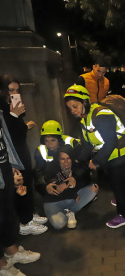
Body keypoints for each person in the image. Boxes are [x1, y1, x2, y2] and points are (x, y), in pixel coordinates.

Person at [64, 85, 125, 228]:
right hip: (111, 153)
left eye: (75, 106)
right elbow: (87, 145)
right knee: (117, 179)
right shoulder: (84, 119)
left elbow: (111, 142)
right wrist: (77, 161)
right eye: (70, 108)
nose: (73, 110)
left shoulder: (101, 115)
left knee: (116, 181)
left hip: (121, 152)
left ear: (85, 102)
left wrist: (96, 162)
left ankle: (123, 215)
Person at [0, 75, 48, 236]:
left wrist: (22, 123)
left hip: (21, 151)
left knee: (27, 180)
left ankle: (28, 215)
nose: (14, 93)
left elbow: (17, 134)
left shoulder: (11, 106)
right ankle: (24, 222)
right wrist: (14, 116)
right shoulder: (3, 109)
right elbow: (7, 136)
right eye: (10, 90)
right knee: (19, 185)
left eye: (17, 90)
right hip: (12, 156)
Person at [0, 106, 40, 276]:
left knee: (5, 215)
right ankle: (3, 266)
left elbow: (4, 142)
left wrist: (11, 166)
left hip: (4, 169)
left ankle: (11, 252)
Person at [35, 145, 98, 229]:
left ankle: (72, 212)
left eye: (68, 158)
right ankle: (68, 210)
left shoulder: (77, 167)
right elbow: (42, 186)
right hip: (54, 201)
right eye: (62, 159)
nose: (66, 162)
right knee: (60, 225)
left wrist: (71, 182)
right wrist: (45, 186)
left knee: (94, 188)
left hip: (71, 198)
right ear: (58, 159)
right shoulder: (51, 167)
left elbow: (84, 181)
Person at [34, 120, 80, 195]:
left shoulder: (72, 143)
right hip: (55, 179)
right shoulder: (40, 151)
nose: (50, 144)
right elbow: (38, 172)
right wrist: (46, 185)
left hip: (73, 175)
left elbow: (82, 164)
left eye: (53, 140)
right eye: (46, 141)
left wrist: (74, 177)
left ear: (59, 139)